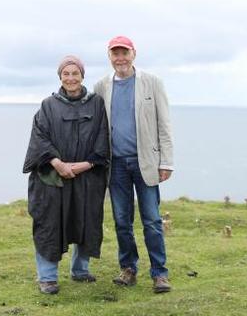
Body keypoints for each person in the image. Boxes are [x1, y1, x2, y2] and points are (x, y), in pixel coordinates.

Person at [94, 36, 174, 293]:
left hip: (146, 162)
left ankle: (160, 273)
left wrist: (167, 162)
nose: (120, 58)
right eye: (115, 53)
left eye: (124, 53)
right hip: (115, 164)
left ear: (133, 54)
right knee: (121, 220)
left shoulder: (152, 83)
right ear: (109, 56)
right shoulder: (101, 86)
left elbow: (164, 124)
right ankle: (128, 268)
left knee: (151, 219)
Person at [23, 55, 109, 295]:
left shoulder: (96, 104)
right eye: (66, 74)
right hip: (53, 178)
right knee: (49, 223)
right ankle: (47, 277)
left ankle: (80, 270)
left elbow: (102, 141)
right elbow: (39, 138)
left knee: (85, 220)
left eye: (75, 73)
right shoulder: (48, 105)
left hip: (87, 176)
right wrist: (59, 164)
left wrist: (83, 165)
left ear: (82, 76)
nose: (71, 78)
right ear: (60, 76)